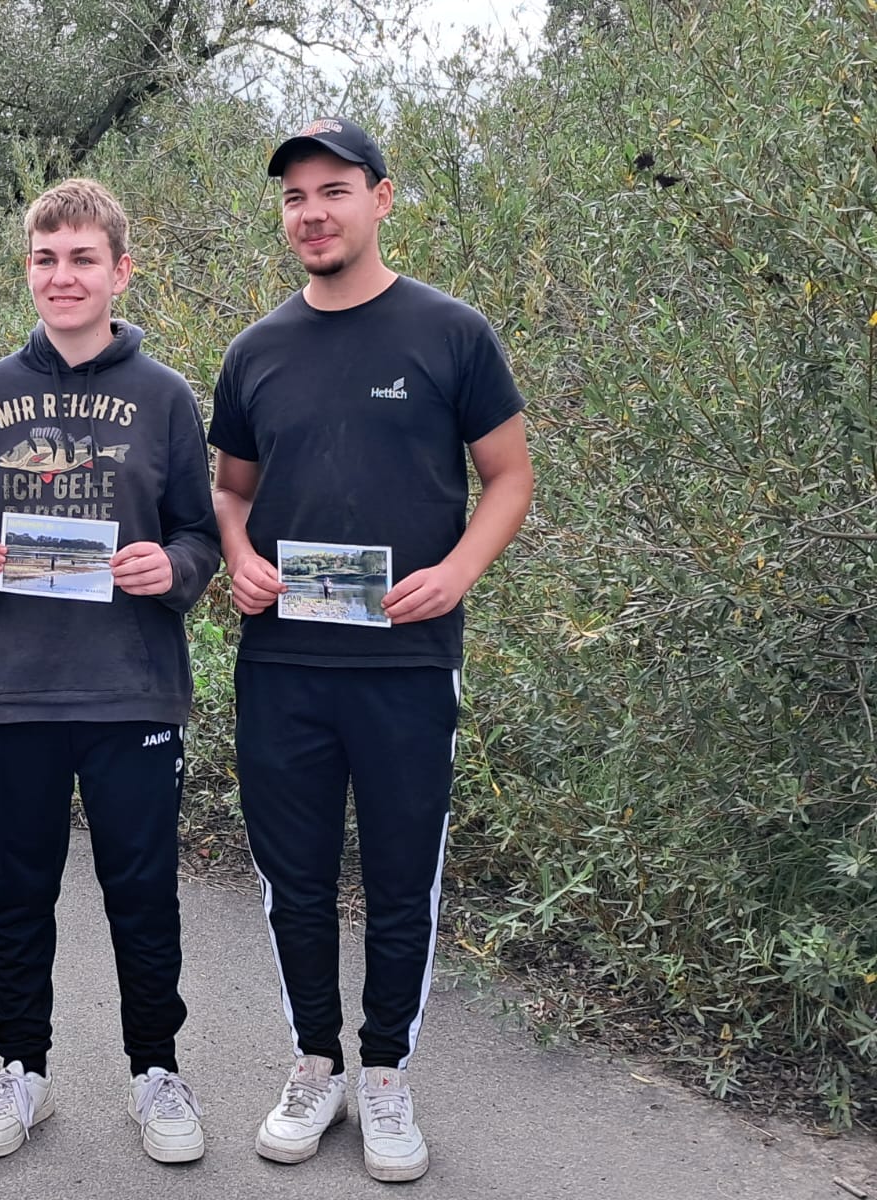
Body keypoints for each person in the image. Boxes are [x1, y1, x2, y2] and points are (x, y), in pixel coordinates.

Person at [209, 118, 533, 1181]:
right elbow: (230, 491)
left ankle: (386, 1072)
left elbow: (510, 478)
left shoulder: (451, 333)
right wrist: (238, 556)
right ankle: (317, 1063)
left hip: (408, 662)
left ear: (381, 199)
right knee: (293, 881)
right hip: (282, 665)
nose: (312, 213)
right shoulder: (256, 350)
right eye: (295, 196)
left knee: (401, 881)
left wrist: (459, 572)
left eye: (333, 191)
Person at [0, 178, 221, 1164]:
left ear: (120, 271)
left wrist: (171, 568)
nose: (63, 275)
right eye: (46, 259)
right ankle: (22, 1072)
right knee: (19, 892)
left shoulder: (165, 397)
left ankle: (156, 1073)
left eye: (83, 258)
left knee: (143, 892)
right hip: (9, 687)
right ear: (29, 271)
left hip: (132, 685)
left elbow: (200, 536)